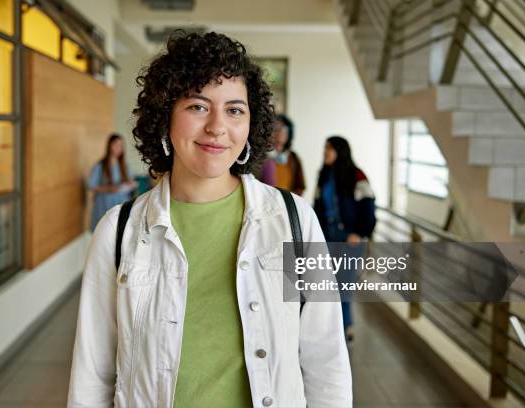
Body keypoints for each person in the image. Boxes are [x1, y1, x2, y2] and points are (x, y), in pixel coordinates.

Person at [68, 31, 351, 408]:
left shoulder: (294, 220)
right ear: (164, 116)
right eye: (198, 106)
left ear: (251, 124)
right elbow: (93, 376)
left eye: (235, 110)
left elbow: (325, 362)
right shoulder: (119, 232)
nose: (218, 126)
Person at [314, 135, 376, 342]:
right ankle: (329, 329)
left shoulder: (357, 176)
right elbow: (318, 208)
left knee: (344, 285)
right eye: (325, 148)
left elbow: (369, 207)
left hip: (351, 240)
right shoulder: (323, 175)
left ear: (340, 151)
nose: (325, 152)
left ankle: (345, 327)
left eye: (329, 148)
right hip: (328, 239)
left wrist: (359, 232)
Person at [87, 133, 137, 232]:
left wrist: (131, 184)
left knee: (118, 231)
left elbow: (130, 180)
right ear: (109, 145)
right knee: (103, 231)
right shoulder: (101, 165)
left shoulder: (124, 165)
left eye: (121, 146)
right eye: (116, 145)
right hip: (104, 203)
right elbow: (91, 185)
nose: (118, 148)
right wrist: (109, 188)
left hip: (120, 202)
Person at [270, 114, 306, 196]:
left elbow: (300, 186)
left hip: (287, 203)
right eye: (276, 128)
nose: (280, 132)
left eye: (283, 128)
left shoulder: (294, 158)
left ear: (289, 133)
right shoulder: (263, 156)